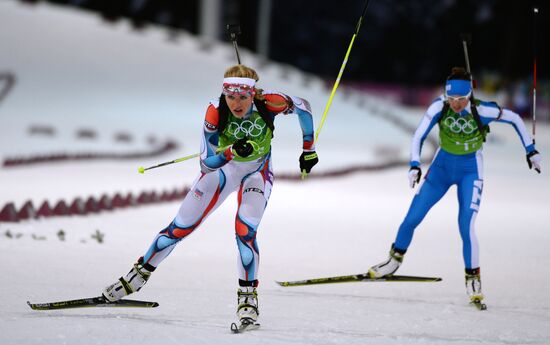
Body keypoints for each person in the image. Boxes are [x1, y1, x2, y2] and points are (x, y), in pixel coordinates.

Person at [102, 64, 319, 325]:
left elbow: (304, 107)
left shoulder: (268, 102)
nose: (236, 104)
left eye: (242, 97)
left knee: (245, 231)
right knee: (180, 228)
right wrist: (230, 152)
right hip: (223, 171)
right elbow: (206, 163)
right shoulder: (215, 111)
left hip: (257, 172)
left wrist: (309, 149)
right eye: (231, 97)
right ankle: (134, 279)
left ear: (253, 94)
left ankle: (248, 299)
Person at [368, 67, 542, 304]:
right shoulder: (439, 106)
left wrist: (530, 150)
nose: (456, 104)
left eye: (460, 99)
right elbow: (418, 135)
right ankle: (393, 262)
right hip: (441, 168)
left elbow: (515, 118)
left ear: (469, 95)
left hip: (470, 170)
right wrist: (414, 165)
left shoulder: (481, 109)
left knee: (466, 226)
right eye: (452, 99)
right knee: (412, 217)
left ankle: (473, 279)